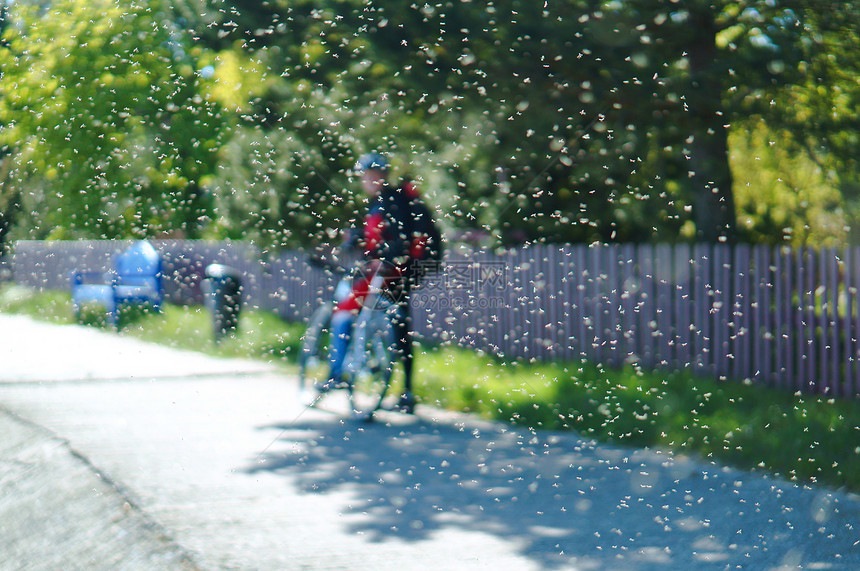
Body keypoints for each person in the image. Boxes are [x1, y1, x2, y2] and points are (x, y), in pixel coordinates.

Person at [321, 151, 439, 414]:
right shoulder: (383, 202)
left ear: (378, 176)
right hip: (401, 272)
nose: (368, 180)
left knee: (346, 310)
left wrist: (377, 259)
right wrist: (355, 240)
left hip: (392, 272)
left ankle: (336, 372)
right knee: (399, 326)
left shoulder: (390, 202)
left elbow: (398, 240)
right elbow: (376, 238)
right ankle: (406, 392)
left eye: (370, 176)